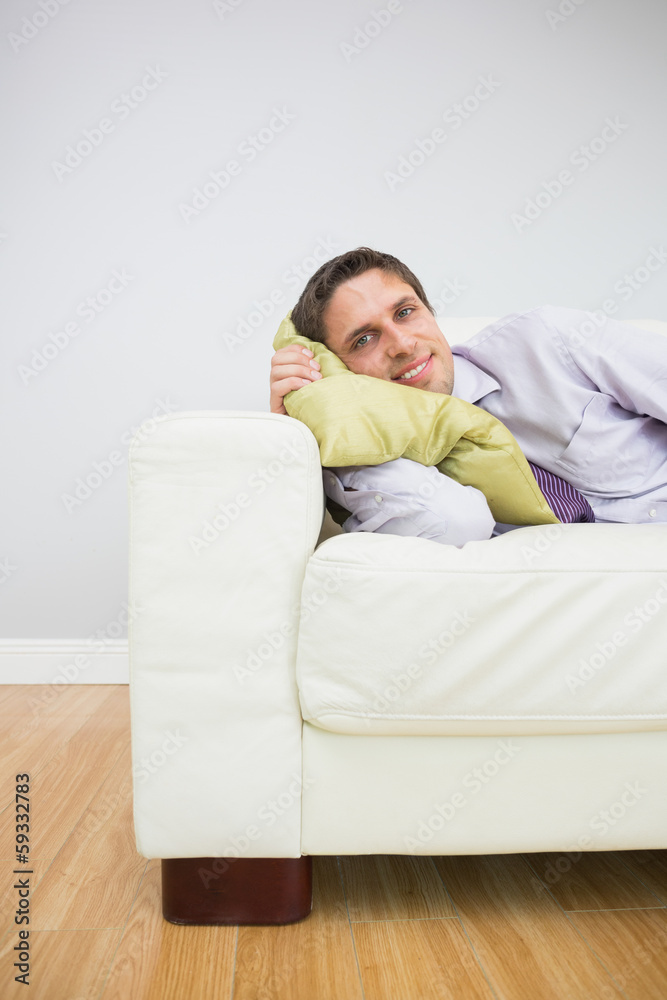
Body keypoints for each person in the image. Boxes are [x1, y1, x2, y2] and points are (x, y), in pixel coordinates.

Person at [269, 247, 667, 545]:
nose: (403, 344)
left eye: (405, 312)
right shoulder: (404, 470)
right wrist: (314, 416)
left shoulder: (549, 340)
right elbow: (452, 522)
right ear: (340, 369)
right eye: (364, 339)